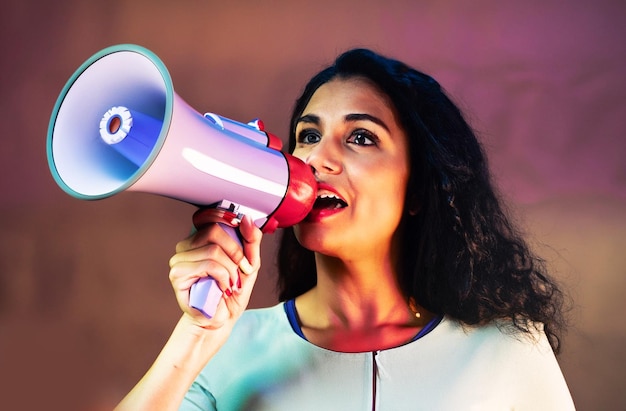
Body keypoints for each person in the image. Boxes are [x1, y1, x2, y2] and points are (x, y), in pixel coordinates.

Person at [115, 48, 575, 410]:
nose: (316, 159)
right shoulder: (225, 347)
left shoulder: (507, 349)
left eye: (360, 137)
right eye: (308, 136)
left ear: (418, 188)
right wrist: (195, 336)